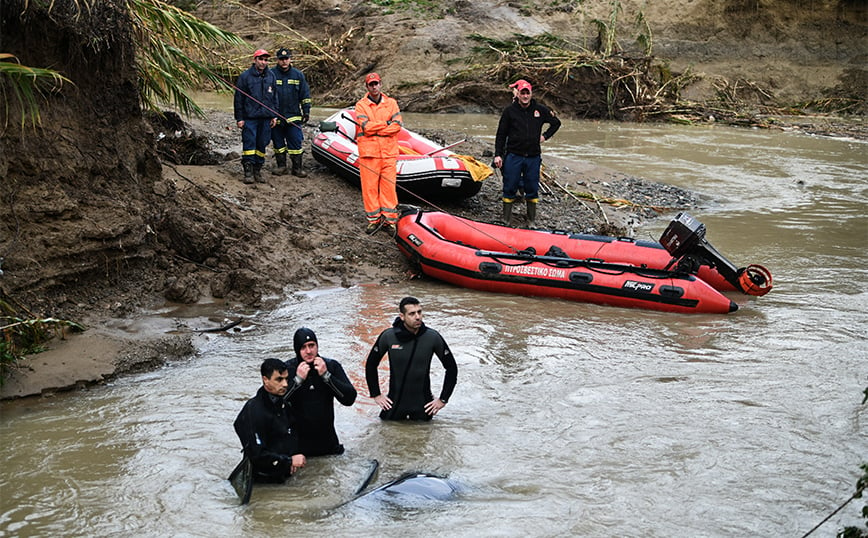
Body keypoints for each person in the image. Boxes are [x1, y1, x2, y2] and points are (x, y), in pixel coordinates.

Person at [365, 296, 457, 421]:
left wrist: (443, 399)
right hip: (394, 404)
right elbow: (371, 365)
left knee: (425, 436)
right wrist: (376, 394)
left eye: (419, 312)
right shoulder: (389, 336)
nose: (418, 317)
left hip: (423, 405)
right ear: (402, 316)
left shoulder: (432, 337)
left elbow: (451, 368)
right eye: (412, 314)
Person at [493, 79, 561, 229]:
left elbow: (556, 123)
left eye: (527, 93)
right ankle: (506, 221)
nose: (525, 96)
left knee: (532, 188)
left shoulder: (540, 110)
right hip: (514, 155)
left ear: (531, 94)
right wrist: (498, 154)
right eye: (522, 93)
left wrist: (544, 136)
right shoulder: (509, 111)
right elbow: (501, 134)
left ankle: (531, 222)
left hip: (533, 157)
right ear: (517, 94)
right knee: (509, 186)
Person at [283, 327, 357, 457]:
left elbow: (349, 399)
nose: (309, 351)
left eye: (312, 346)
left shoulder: (331, 366)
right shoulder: (288, 369)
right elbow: (275, 404)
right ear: (296, 349)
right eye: (303, 347)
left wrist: (326, 376)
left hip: (328, 445)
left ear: (317, 346)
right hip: (298, 449)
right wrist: (297, 381)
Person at [233, 358, 306, 483]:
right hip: (260, 481)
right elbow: (257, 455)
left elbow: (293, 433)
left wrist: (293, 458)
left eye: (286, 379)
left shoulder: (284, 405)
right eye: (279, 379)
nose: (285, 384)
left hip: (284, 475)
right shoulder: (253, 411)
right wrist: (289, 461)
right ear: (265, 380)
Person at [354, 73, 403, 236]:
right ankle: (373, 220)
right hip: (369, 154)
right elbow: (365, 127)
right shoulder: (361, 105)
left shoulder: (391, 103)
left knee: (389, 188)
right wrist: (385, 125)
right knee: (369, 189)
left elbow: (397, 126)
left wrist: (377, 129)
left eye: (376, 84)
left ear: (381, 84)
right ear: (367, 87)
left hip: (388, 154)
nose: (374, 87)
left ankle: (390, 221)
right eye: (371, 84)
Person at [233, 48, 278, 184]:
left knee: (262, 144)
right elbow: (238, 99)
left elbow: (275, 97)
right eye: (261, 59)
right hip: (250, 118)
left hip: (266, 118)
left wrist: (274, 115)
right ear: (255, 60)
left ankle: (257, 170)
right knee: (249, 143)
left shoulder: (271, 76)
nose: (263, 62)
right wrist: (239, 118)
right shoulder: (245, 76)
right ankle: (248, 172)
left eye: (265, 60)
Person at [270, 48, 311, 177]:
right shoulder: (271, 74)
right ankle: (281, 166)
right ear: (277, 60)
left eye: (286, 59)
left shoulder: (298, 75)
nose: (284, 61)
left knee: (296, 143)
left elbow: (304, 94)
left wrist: (306, 111)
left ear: (290, 59)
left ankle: (297, 168)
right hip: (276, 117)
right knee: (278, 143)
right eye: (281, 59)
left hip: (293, 116)